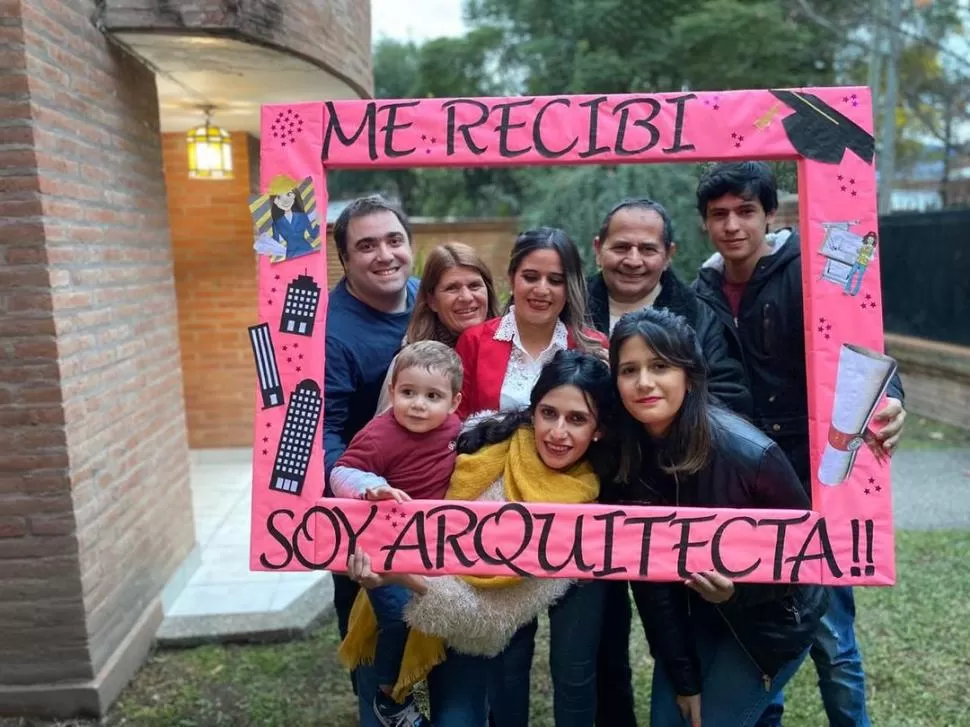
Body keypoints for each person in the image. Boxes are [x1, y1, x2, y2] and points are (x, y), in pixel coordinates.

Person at [691, 161, 906, 727]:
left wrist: (891, 400)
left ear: (770, 214)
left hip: (816, 480)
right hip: (741, 485)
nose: (733, 225)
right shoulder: (702, 289)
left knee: (833, 640)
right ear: (705, 224)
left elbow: (862, 345)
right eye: (719, 215)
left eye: (745, 211)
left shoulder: (813, 271)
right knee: (759, 629)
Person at [343, 350, 614, 727]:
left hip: (458, 632)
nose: (557, 432)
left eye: (578, 419)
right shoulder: (484, 433)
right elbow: (391, 451)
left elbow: (489, 627)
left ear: (599, 429)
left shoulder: (578, 514)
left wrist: (400, 574)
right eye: (548, 413)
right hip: (387, 615)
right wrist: (371, 493)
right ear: (532, 409)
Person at [606, 307, 830, 727]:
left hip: (768, 622)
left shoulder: (749, 454)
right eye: (628, 370)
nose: (644, 383)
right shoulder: (627, 457)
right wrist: (684, 678)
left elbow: (809, 561)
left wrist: (737, 591)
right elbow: (653, 587)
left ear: (689, 375)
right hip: (694, 617)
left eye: (660, 366)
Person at [588, 198, 754, 727]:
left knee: (683, 616)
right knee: (599, 636)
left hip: (677, 492)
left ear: (669, 253)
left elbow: (728, 395)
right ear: (598, 249)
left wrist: (662, 431)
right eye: (620, 246)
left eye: (647, 247)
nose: (632, 259)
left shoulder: (697, 313)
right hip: (588, 497)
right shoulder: (568, 306)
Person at [331, 341, 463, 727]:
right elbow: (341, 472)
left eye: (432, 396)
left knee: (438, 623)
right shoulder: (380, 433)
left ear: (454, 402)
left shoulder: (457, 429)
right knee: (397, 618)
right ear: (392, 393)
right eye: (408, 393)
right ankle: (389, 698)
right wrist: (371, 487)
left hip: (432, 551)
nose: (418, 404)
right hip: (384, 550)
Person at [323, 195, 419, 702]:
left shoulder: (432, 299)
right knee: (379, 642)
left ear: (410, 245)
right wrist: (361, 499)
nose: (384, 254)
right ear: (346, 258)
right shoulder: (330, 331)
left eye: (393, 240)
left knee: (432, 637)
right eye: (366, 246)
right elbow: (323, 433)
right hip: (365, 509)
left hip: (433, 503)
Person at [456, 227, 607, 420]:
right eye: (530, 277)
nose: (542, 290)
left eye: (555, 280)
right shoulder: (474, 341)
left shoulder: (594, 346)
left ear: (569, 287)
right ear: (512, 279)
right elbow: (456, 420)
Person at [375, 241, 500, 414]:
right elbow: (385, 432)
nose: (466, 297)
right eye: (452, 288)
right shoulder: (410, 361)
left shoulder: (514, 346)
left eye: (474, 286)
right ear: (432, 301)